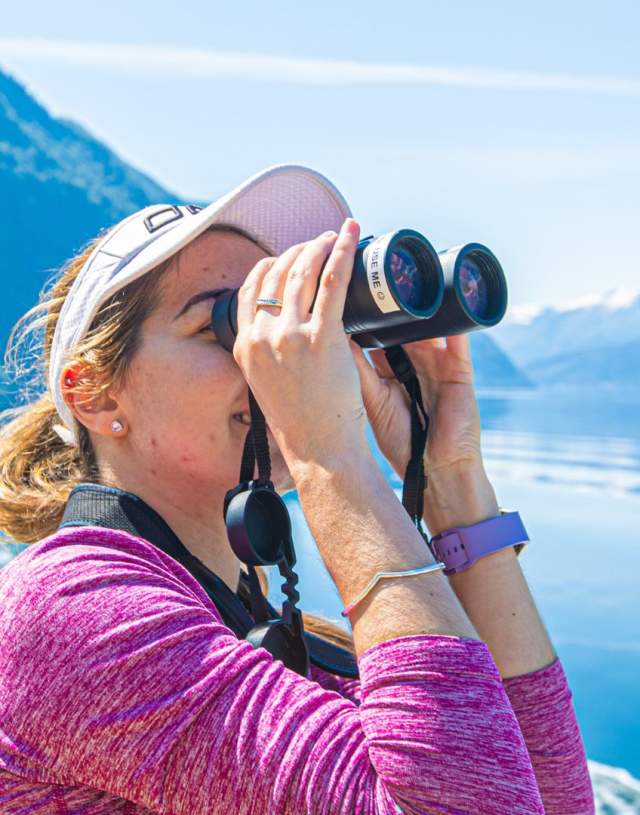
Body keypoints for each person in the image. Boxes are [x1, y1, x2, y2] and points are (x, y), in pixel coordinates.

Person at [0, 164, 594, 814]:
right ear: (96, 393)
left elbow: (550, 800)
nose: (270, 353)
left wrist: (453, 480)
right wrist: (330, 456)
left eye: (280, 316)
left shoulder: (267, 632)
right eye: (226, 326)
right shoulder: (67, 611)